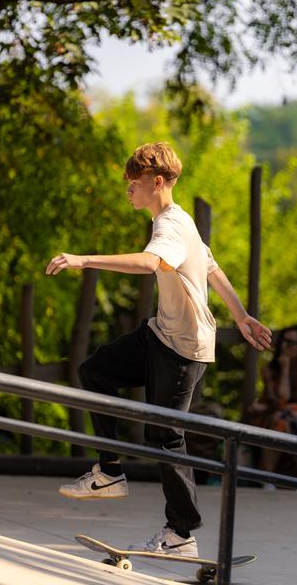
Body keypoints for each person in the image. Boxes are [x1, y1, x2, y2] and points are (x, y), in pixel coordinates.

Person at [46, 142, 271, 557]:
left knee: (164, 436)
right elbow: (211, 266)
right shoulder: (178, 220)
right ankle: (109, 471)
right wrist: (241, 316)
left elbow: (151, 264)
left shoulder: (170, 225)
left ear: (158, 182)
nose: (128, 191)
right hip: (160, 335)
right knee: (96, 371)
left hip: (183, 348)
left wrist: (84, 259)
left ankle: (181, 534)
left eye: (134, 184)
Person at [248, 324, 297, 478]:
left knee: (288, 420)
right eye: (283, 341)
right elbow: (279, 399)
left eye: (291, 343)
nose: (284, 346)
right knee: (281, 420)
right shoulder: (270, 369)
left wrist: (282, 408)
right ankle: (280, 477)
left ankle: (269, 476)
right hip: (272, 414)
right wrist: (285, 371)